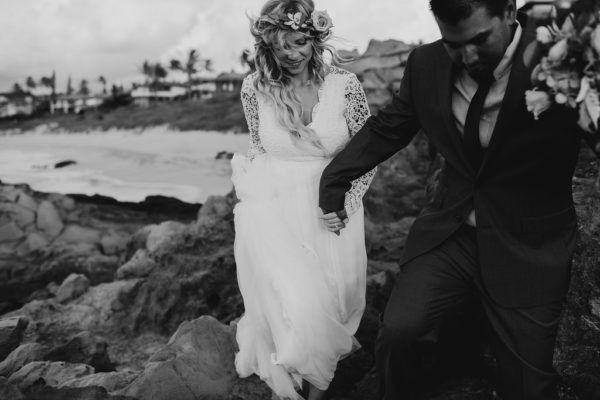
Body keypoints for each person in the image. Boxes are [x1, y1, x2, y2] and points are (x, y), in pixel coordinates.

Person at [318, 0, 600, 399]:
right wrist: (335, 178)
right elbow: (389, 127)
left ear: (509, 12)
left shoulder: (562, 58)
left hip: (529, 246)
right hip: (450, 235)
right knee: (398, 335)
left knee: (528, 386)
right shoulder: (425, 64)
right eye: (454, 44)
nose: (467, 56)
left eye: (479, 39)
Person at [231, 1, 376, 399]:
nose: (291, 54)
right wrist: (250, 197)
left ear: (315, 38)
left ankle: (315, 388)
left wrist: (347, 202)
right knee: (295, 308)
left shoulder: (344, 85)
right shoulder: (254, 88)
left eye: (299, 42)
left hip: (332, 211)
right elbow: (258, 146)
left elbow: (369, 151)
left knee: (336, 305)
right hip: (275, 213)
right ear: (268, 47)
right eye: (280, 46)